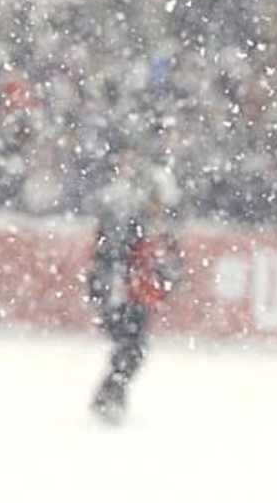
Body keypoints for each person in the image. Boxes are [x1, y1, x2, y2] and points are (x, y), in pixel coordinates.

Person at [87, 162, 184, 425]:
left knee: (130, 350)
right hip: (124, 295)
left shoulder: (145, 223)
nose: (160, 209)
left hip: (132, 295)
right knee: (131, 349)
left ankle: (110, 396)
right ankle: (110, 397)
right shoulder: (127, 220)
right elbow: (112, 260)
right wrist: (109, 294)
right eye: (157, 201)